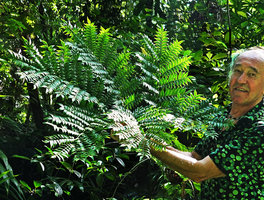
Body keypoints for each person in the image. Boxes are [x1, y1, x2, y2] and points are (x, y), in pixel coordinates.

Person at [150, 46, 264, 199]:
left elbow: (200, 171)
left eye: (251, 74)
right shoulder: (225, 115)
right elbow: (195, 157)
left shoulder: (260, 128)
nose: (241, 80)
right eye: (237, 71)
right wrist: (145, 138)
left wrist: (145, 144)